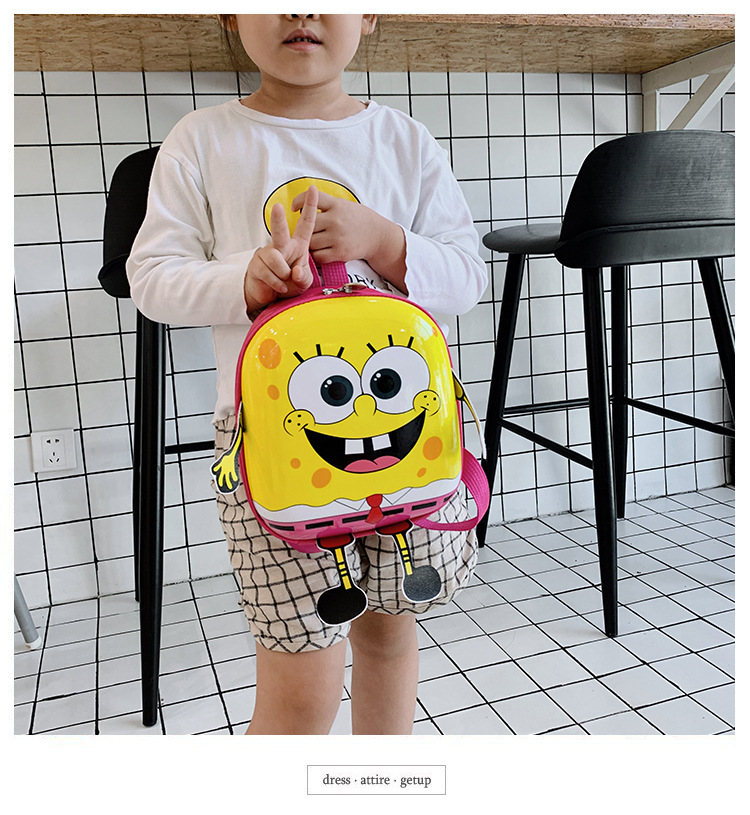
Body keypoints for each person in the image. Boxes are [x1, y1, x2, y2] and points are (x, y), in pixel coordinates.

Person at [127, 14, 487, 736]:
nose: (300, 9)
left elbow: (467, 276)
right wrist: (246, 281)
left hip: (406, 436)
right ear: (230, 14)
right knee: (300, 675)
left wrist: (386, 241)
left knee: (391, 633)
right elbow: (152, 277)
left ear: (370, 14)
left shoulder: (404, 141)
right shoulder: (203, 139)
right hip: (272, 444)